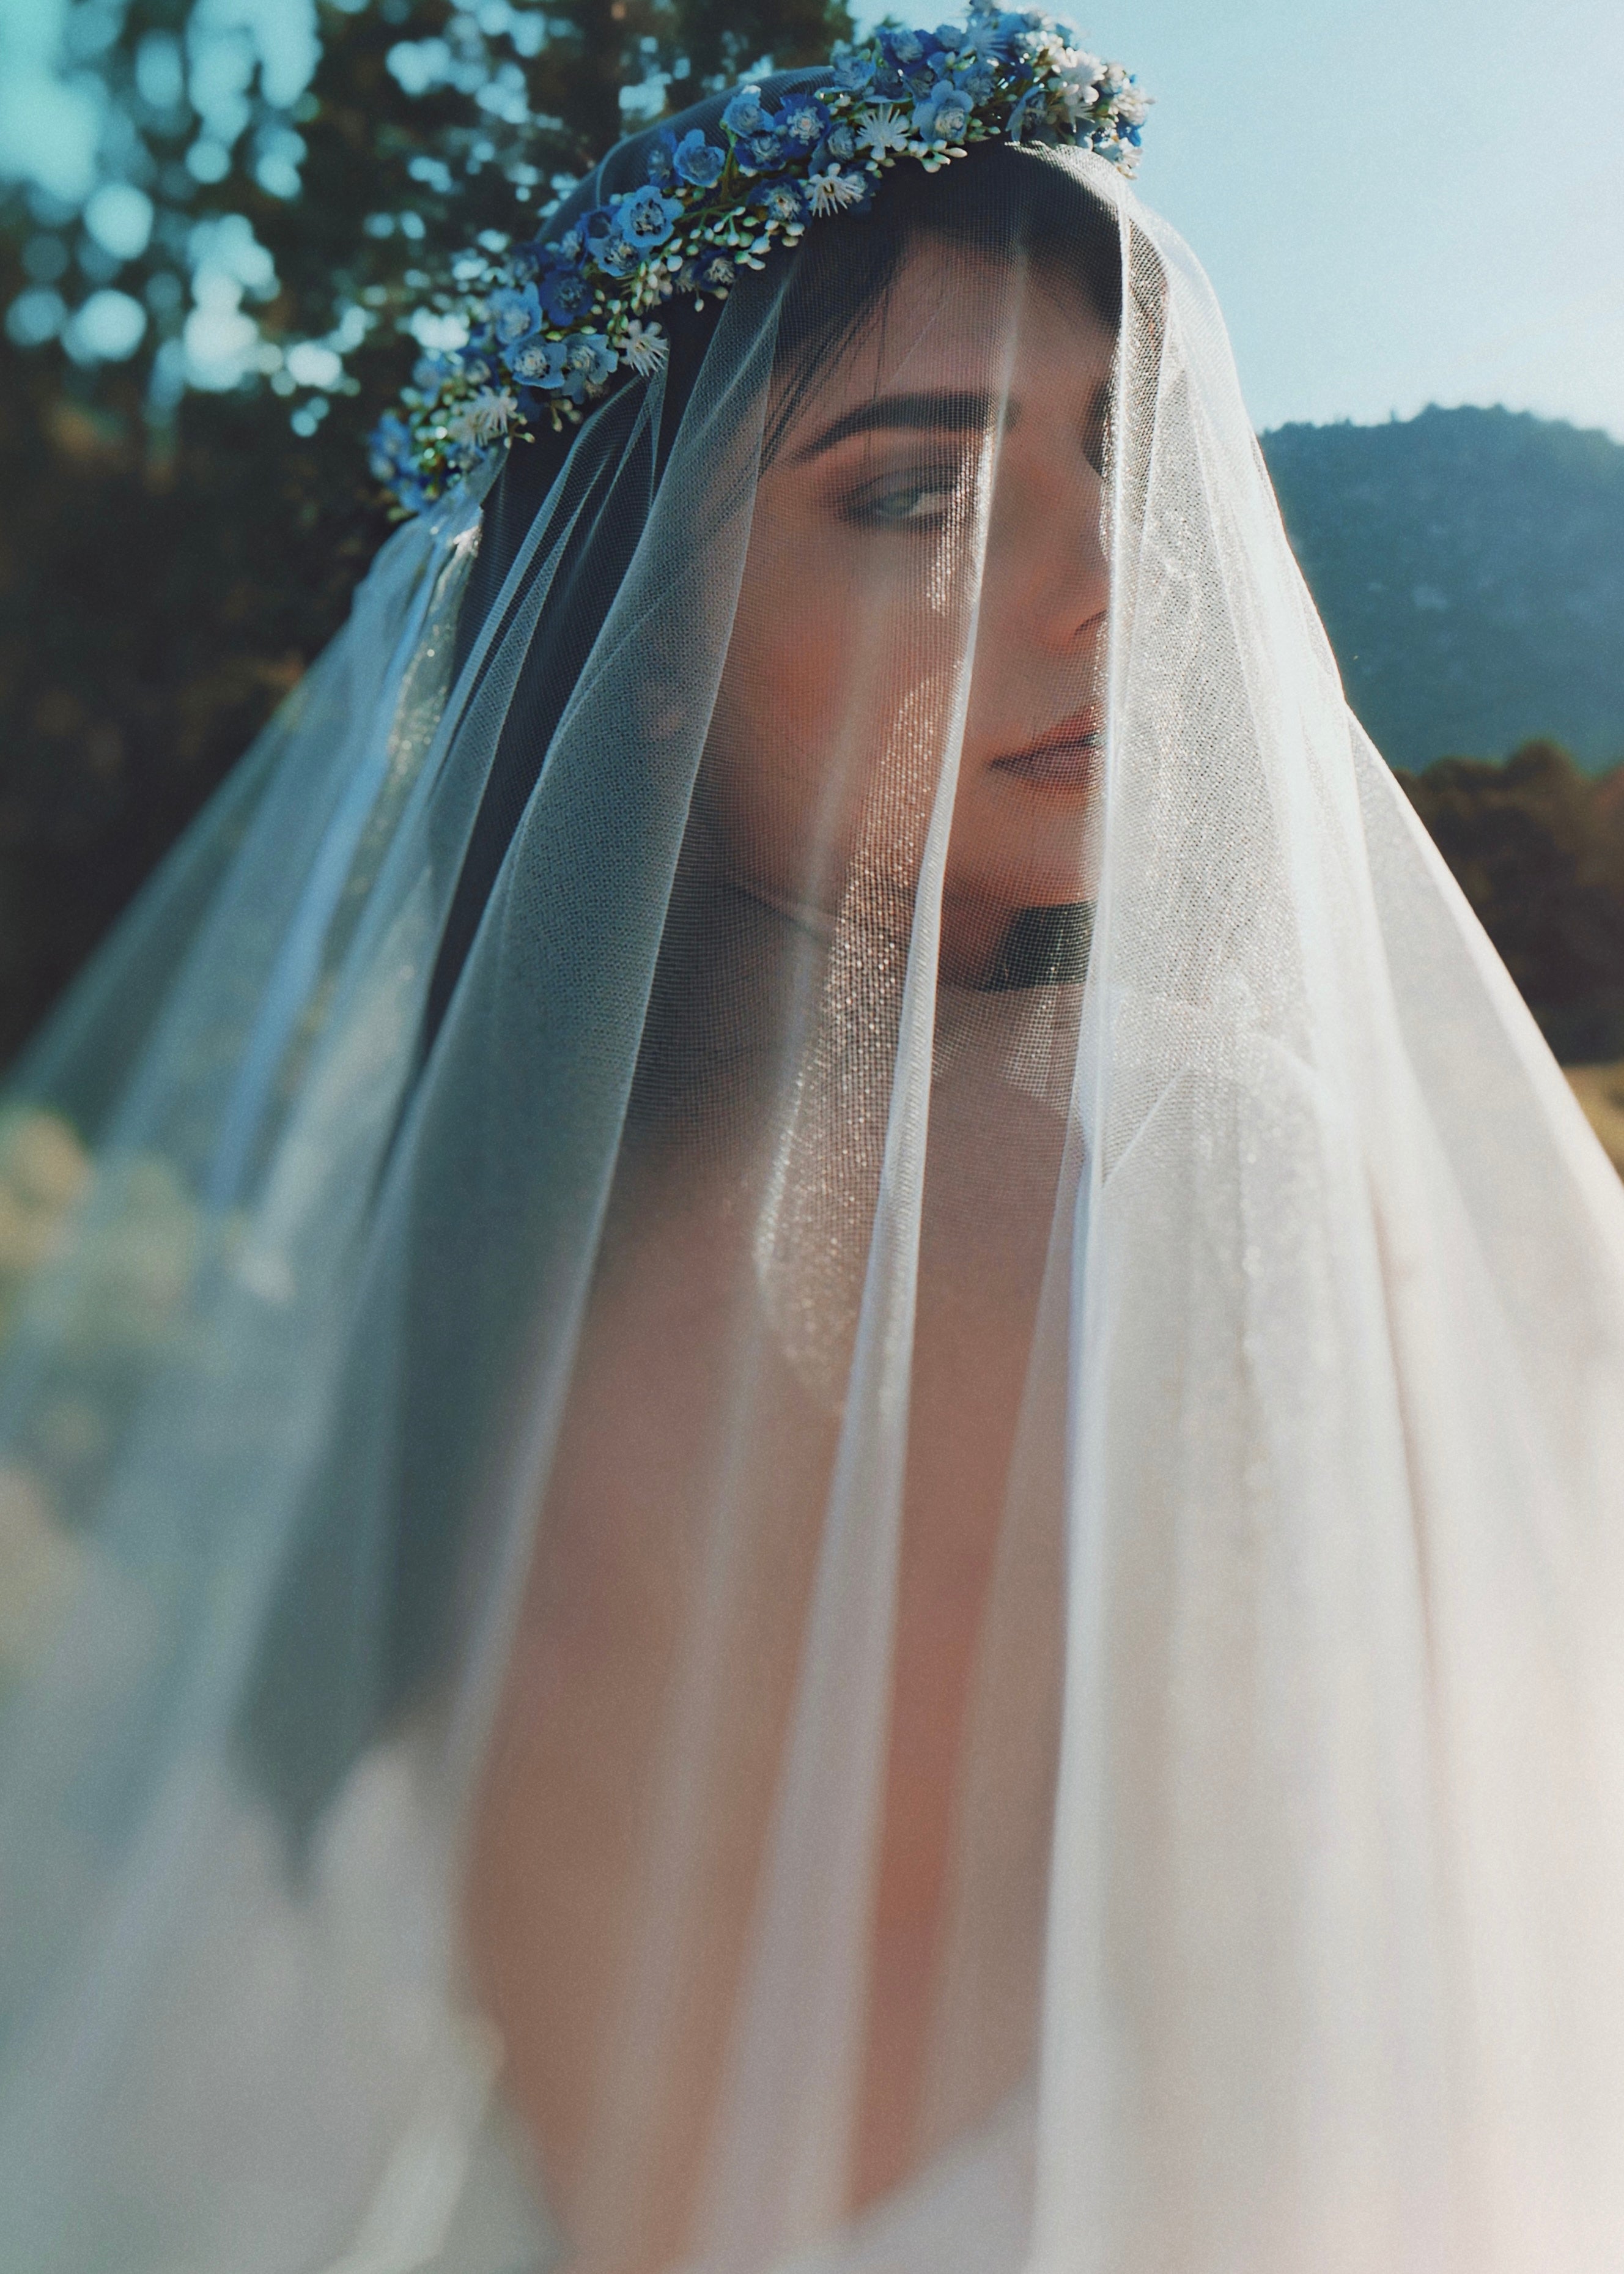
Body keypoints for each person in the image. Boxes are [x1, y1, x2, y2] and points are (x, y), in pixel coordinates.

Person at [2, 13, 1624, 2272]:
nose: (1108, 573)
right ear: (649, 644)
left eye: (1118, 454)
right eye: (920, 493)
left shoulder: (489, 1256)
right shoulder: (1106, 1172)